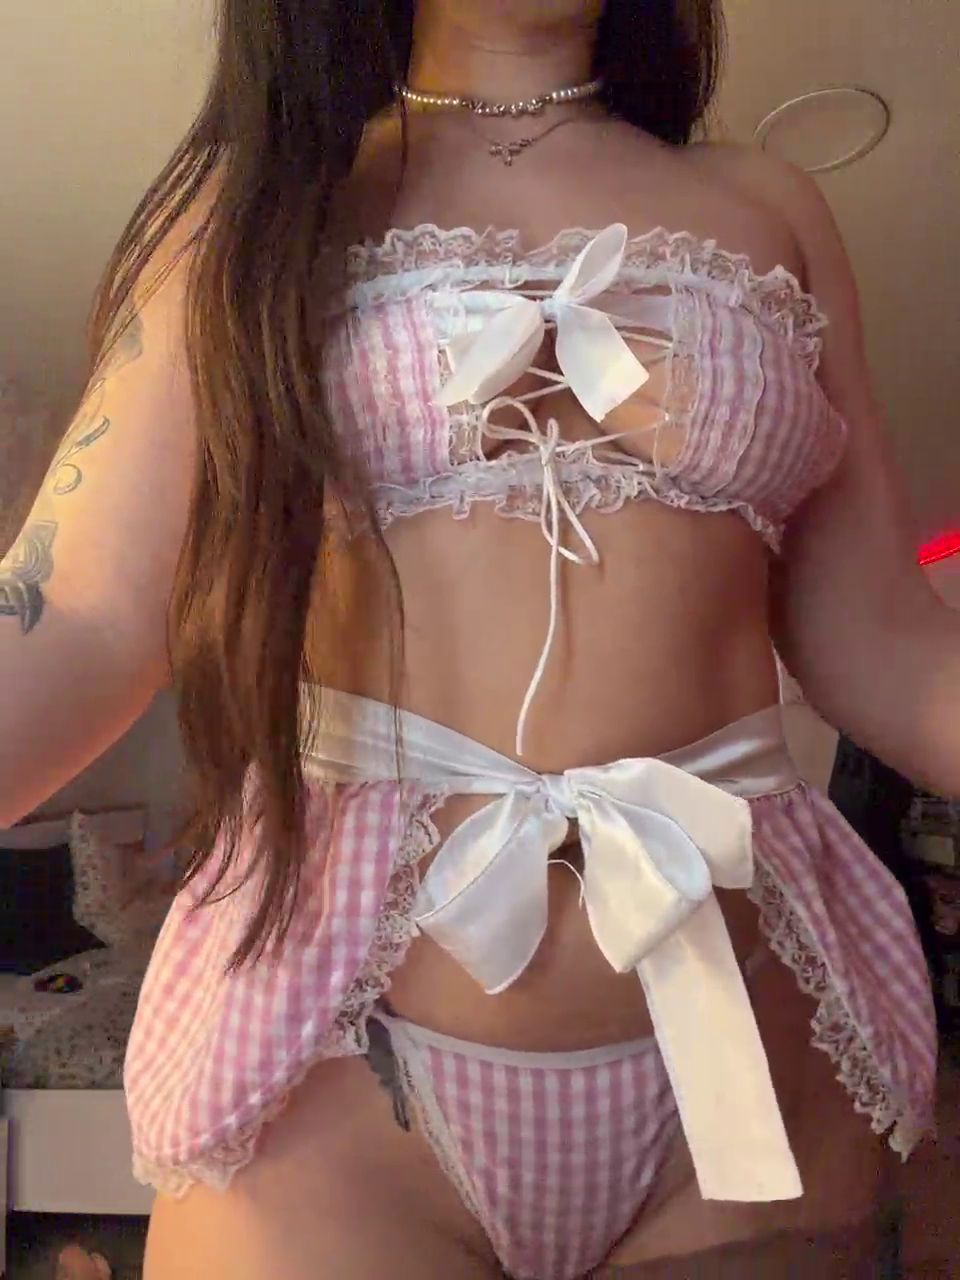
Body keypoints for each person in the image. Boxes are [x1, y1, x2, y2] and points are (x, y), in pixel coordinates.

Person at [2, 2, 957, 1277]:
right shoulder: (257, 206)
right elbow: (81, 611)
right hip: (340, 1074)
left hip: (749, 1060)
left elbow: (883, 635)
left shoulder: (768, 204)